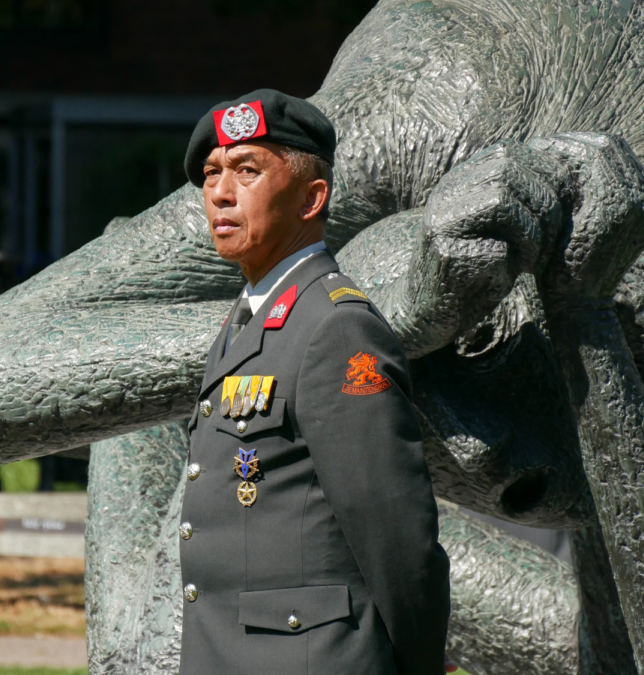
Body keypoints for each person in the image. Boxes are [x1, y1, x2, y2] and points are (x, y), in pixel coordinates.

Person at [178, 89, 451, 674]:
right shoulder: (246, 317)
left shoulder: (336, 327)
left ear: (312, 198)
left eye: (247, 170)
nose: (221, 193)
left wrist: (418, 665)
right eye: (211, 173)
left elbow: (396, 535)